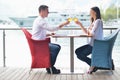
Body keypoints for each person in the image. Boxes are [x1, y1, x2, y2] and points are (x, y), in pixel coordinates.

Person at [32, 5, 69, 74]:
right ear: (42, 11)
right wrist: (63, 24)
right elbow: (51, 28)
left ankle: (49, 66)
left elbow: (40, 32)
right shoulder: (40, 20)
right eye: (47, 11)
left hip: (39, 43)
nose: (48, 13)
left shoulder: (40, 20)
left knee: (57, 46)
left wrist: (49, 34)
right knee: (56, 48)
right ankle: (50, 66)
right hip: (39, 44)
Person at [75, 7, 103, 74]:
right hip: (91, 44)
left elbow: (92, 34)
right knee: (77, 51)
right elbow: (87, 32)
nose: (89, 13)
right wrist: (80, 25)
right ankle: (94, 64)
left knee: (79, 54)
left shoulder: (98, 21)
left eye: (91, 11)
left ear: (95, 12)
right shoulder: (94, 22)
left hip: (95, 45)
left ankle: (93, 64)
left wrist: (89, 31)